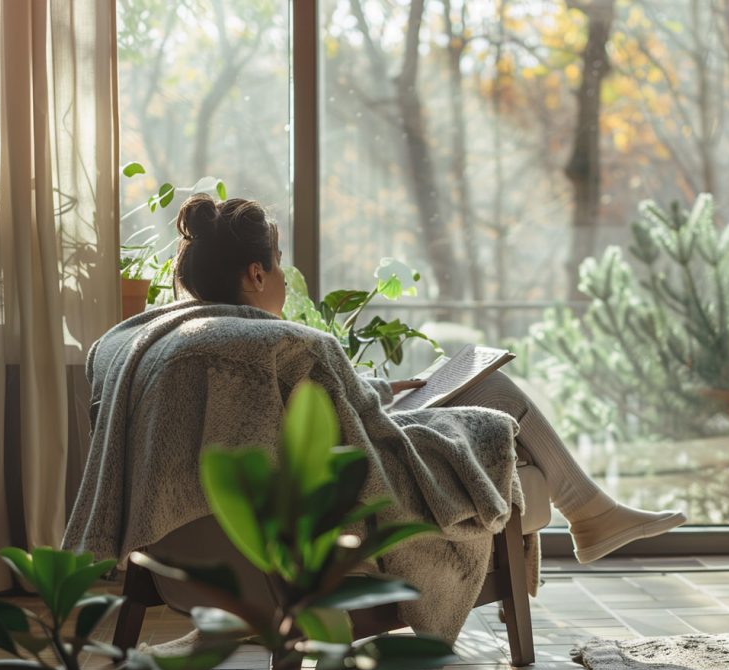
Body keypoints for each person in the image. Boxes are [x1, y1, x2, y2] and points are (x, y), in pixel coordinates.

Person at [172, 195, 686, 563]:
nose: (284, 277)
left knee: (483, 398)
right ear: (257, 274)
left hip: (331, 453)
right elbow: (334, 418)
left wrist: (385, 388)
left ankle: (593, 514)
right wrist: (378, 394)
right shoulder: (281, 341)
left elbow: (316, 407)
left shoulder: (195, 341)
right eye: (279, 265)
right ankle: (592, 514)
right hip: (356, 468)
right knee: (495, 393)